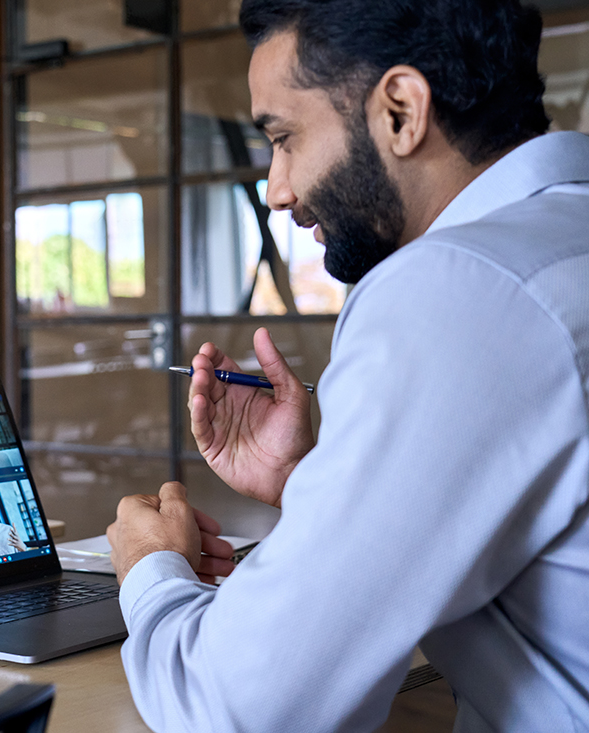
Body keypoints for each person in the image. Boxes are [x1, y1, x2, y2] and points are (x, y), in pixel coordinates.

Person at [106, 1, 589, 731]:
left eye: (285, 138)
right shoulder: (562, 238)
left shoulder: (455, 288)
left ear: (401, 111)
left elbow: (245, 708)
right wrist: (314, 482)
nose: (278, 189)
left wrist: (150, 567)